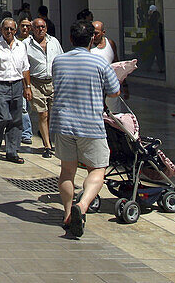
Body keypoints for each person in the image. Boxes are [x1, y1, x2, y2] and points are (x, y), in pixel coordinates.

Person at [51, 20, 120, 238]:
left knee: (67, 171)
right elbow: (114, 91)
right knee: (98, 169)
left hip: (63, 123)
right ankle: (82, 205)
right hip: (90, 123)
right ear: (92, 39)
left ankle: (67, 214)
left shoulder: (59, 61)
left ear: (71, 39)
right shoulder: (100, 63)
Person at [0, 17, 31, 163]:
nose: (9, 31)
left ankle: (12, 151)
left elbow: (25, 68)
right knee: (4, 117)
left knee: (16, 120)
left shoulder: (21, 46)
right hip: (0, 85)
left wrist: (27, 87)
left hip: (17, 84)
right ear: (1, 30)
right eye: (6, 29)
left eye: (11, 29)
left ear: (15, 30)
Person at [25, 16, 63, 158]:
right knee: (43, 114)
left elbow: (61, 59)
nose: (40, 30)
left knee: (54, 115)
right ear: (32, 29)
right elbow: (24, 67)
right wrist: (27, 87)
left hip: (53, 82)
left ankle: (50, 137)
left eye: (43, 27)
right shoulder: (27, 44)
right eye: (37, 27)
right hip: (36, 82)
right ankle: (47, 145)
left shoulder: (54, 42)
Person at [17, 18, 34, 144]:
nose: (25, 28)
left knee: (31, 108)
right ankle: (26, 133)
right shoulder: (15, 41)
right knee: (23, 108)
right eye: (23, 25)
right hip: (20, 79)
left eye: (28, 26)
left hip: (34, 79)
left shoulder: (34, 42)